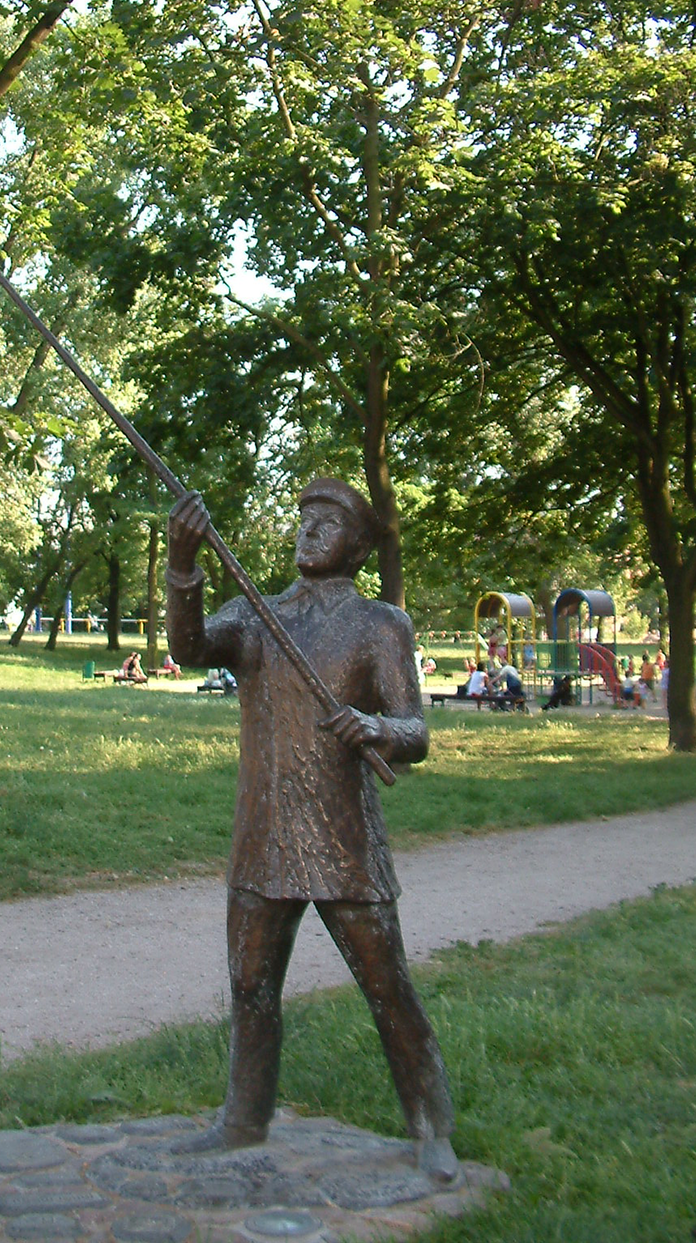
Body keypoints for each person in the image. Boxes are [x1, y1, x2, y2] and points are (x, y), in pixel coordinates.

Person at [166, 477, 456, 1178]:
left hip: (343, 840)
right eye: (303, 521)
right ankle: (242, 1119)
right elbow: (189, 647)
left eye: (326, 523)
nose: (307, 532)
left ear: (356, 546)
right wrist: (182, 567)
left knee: (386, 985)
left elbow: (415, 732)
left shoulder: (379, 626)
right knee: (249, 986)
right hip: (262, 836)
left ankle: (430, 1126)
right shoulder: (255, 615)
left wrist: (378, 726)